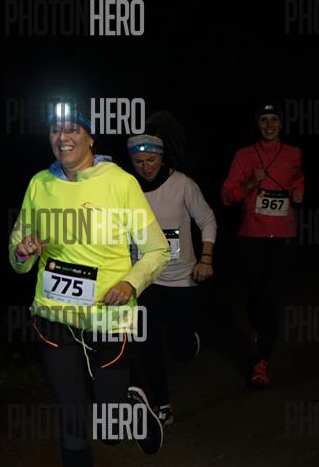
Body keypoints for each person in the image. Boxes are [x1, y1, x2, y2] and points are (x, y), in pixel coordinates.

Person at [9, 101, 171, 466]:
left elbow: (157, 250)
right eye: (56, 130)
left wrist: (130, 284)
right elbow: (18, 254)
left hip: (108, 316)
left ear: (90, 138)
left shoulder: (120, 183)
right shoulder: (39, 184)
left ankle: (128, 405)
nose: (62, 137)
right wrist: (22, 251)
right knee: (71, 415)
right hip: (54, 314)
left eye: (73, 129)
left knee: (110, 430)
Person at [126, 111, 217, 426]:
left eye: (151, 159)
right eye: (138, 162)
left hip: (181, 280)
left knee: (179, 348)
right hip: (145, 280)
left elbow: (207, 219)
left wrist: (206, 259)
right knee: (147, 343)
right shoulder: (127, 189)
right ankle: (162, 404)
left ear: (162, 156)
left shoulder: (182, 184)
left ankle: (188, 341)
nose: (145, 167)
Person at [221, 103, 304, 386]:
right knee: (253, 298)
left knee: (271, 297)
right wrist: (248, 185)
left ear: (281, 125)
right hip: (251, 237)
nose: (269, 125)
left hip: (282, 238)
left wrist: (299, 191)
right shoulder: (244, 155)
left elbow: (298, 179)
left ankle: (261, 361)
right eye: (264, 120)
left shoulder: (293, 153)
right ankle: (260, 328)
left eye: (274, 120)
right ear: (257, 125)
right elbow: (226, 196)